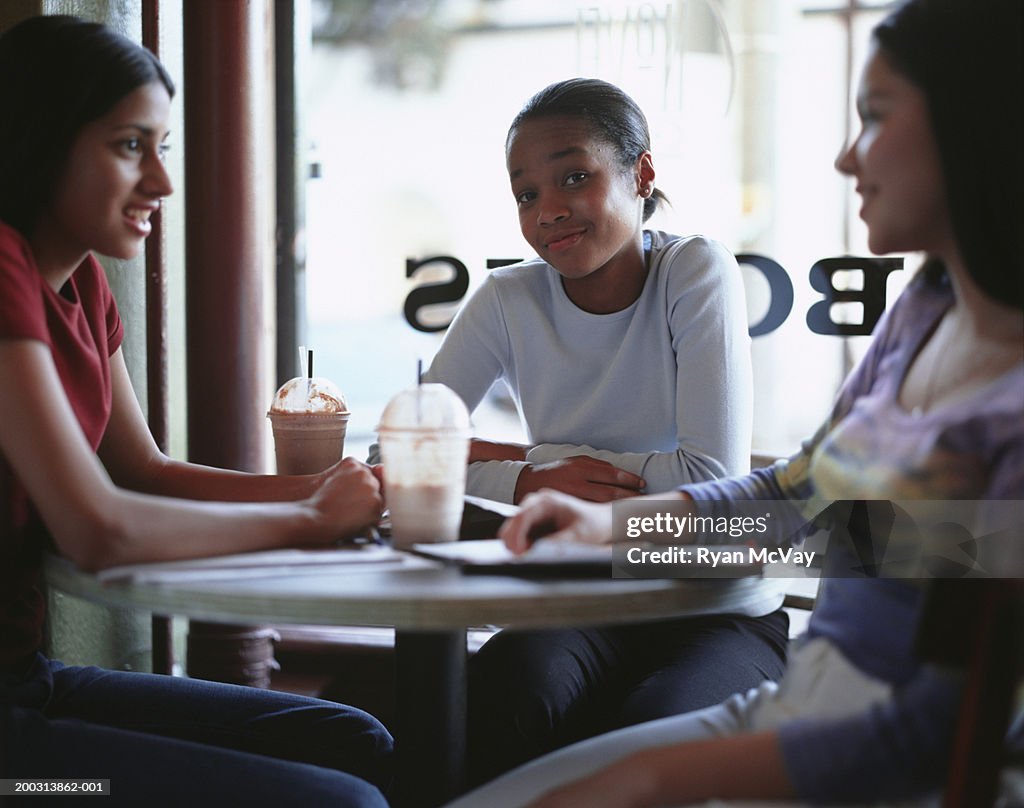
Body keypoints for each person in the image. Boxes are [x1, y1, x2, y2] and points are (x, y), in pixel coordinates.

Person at [444, 0, 1024, 804]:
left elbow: (932, 735)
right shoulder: (925, 311)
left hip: (868, 762)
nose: (845, 160)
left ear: (978, 122)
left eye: (876, 117)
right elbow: (798, 498)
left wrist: (642, 778)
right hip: (799, 708)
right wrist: (603, 522)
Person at [0, 16, 391, 806]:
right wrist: (310, 521)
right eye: (129, 146)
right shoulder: (3, 264)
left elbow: (143, 471)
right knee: (341, 802)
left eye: (163, 148)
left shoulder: (82, 289)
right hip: (20, 765)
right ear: (42, 137)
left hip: (23, 681)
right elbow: (98, 528)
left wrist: (341, 493)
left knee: (357, 741)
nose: (162, 184)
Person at [397, 77, 789, 787]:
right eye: (526, 194)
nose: (549, 211)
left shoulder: (695, 271)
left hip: (716, 607)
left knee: (650, 747)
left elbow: (709, 484)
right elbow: (396, 457)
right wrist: (528, 479)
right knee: (490, 708)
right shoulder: (508, 299)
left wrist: (541, 459)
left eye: (575, 177)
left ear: (641, 174)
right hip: (580, 598)